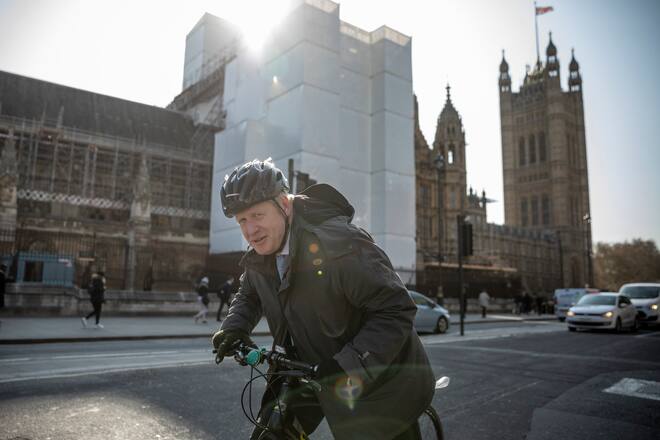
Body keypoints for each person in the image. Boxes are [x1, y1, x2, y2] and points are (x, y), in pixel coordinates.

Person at [211, 159, 434, 440]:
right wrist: (234, 328)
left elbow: (395, 309)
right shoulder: (262, 253)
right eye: (242, 220)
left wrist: (347, 364)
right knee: (272, 433)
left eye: (257, 215)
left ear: (284, 204)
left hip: (372, 375)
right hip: (302, 369)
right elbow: (250, 292)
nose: (250, 230)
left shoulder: (342, 244)